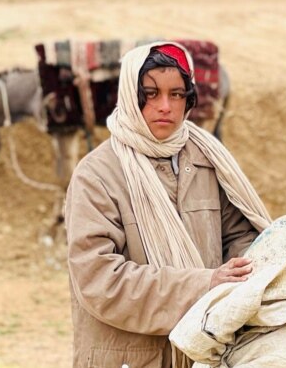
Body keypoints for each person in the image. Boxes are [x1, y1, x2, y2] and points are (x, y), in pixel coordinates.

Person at [64, 42, 272, 367]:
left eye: (176, 94)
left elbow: (241, 237)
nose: (165, 106)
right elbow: (100, 281)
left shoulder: (207, 159)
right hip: (128, 359)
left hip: (201, 351)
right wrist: (203, 285)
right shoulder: (97, 175)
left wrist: (238, 280)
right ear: (130, 97)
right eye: (151, 93)